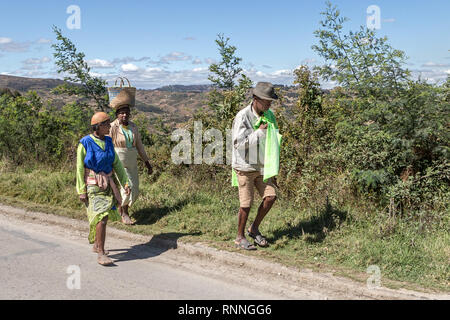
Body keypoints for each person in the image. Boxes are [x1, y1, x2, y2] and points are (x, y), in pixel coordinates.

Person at [76, 112, 130, 266]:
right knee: (102, 217)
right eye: (106, 124)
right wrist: (81, 190)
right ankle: (101, 253)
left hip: (108, 184)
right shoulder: (85, 143)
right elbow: (80, 168)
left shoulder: (108, 141)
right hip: (93, 185)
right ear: (97, 127)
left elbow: (117, 164)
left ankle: (96, 244)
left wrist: (125, 183)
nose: (109, 126)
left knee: (104, 215)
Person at [231, 82, 280, 250]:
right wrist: (259, 132)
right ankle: (239, 237)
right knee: (246, 203)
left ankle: (253, 228)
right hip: (245, 167)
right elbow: (238, 143)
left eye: (270, 102)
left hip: (262, 166)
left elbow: (273, 142)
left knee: (271, 196)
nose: (268, 104)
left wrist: (273, 169)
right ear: (255, 99)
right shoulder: (242, 116)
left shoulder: (270, 116)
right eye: (266, 101)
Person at [109, 103, 153, 225]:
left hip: (132, 160)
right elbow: (108, 146)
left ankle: (121, 208)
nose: (124, 115)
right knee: (126, 187)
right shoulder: (113, 127)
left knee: (135, 188)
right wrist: (109, 163)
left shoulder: (133, 127)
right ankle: (124, 213)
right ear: (117, 114)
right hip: (119, 160)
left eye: (126, 112)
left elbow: (139, 145)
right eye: (122, 113)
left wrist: (147, 163)